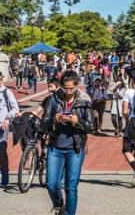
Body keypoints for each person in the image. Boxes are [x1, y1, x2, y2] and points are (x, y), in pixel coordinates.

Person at [41, 71, 93, 215]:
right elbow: (43, 124)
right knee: (51, 184)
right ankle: (59, 204)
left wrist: (78, 121)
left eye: (71, 88)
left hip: (75, 149)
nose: (68, 91)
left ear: (77, 86)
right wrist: (55, 120)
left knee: (71, 187)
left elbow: (91, 127)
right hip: (55, 147)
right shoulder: (53, 100)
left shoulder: (84, 100)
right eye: (65, 88)